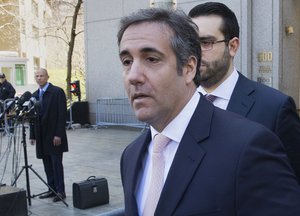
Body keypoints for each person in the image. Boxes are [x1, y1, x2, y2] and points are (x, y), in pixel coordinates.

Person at [117, 8, 300, 216]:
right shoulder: (131, 156)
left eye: (151, 59)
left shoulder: (250, 146)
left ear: (188, 68)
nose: (133, 76)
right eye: (127, 62)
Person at [189, 2, 300, 183]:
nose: (195, 53)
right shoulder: (177, 105)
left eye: (206, 43)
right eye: (191, 43)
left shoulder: (275, 108)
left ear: (232, 46)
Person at [29, 68, 68, 202]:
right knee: (47, 164)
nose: (39, 78)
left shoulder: (57, 92)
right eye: (37, 76)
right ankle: (51, 189)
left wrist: (59, 134)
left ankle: (60, 191)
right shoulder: (34, 95)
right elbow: (32, 117)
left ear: (47, 77)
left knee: (56, 163)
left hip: (54, 136)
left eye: (41, 76)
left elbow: (62, 114)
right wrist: (32, 134)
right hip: (41, 136)